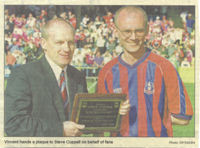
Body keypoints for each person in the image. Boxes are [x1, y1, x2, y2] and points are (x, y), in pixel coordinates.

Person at [98, 6, 193, 137]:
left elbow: (184, 118)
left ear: (147, 30)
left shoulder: (165, 67)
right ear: (116, 31)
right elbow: (98, 123)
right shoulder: (106, 72)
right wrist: (112, 113)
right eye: (127, 31)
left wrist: (150, 119)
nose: (133, 37)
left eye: (139, 31)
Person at [5, 18, 88, 137]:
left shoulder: (78, 76)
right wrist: (60, 130)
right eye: (59, 42)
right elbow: (14, 124)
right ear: (44, 44)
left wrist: (114, 110)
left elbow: (85, 118)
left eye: (70, 42)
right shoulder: (23, 75)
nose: (66, 48)